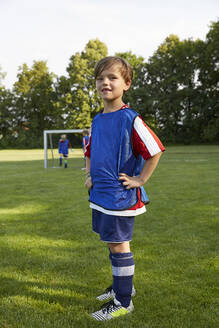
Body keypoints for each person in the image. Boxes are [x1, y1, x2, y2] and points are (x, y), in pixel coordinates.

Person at [85, 56, 165, 321]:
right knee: (111, 242)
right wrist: (88, 174)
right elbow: (89, 151)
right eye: (100, 78)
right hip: (100, 195)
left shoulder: (131, 119)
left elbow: (154, 150)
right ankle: (122, 286)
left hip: (120, 197)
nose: (105, 82)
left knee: (119, 245)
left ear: (126, 83)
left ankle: (122, 301)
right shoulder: (97, 120)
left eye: (112, 78)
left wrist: (140, 180)